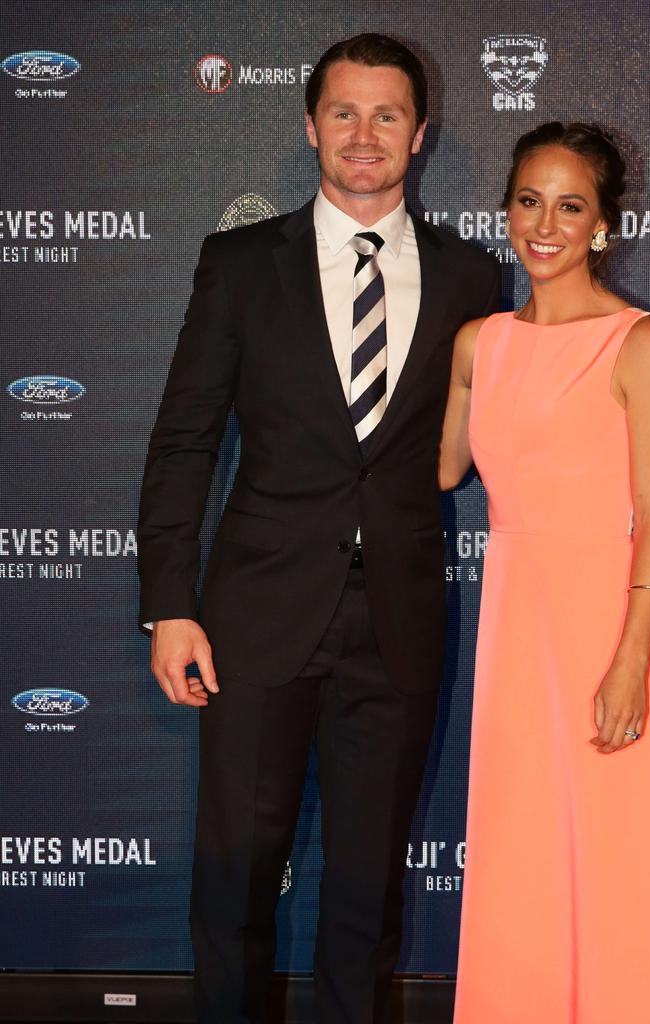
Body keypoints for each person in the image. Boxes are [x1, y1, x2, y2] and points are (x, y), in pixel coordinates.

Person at [137, 32, 499, 1024]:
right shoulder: (242, 263)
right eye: (344, 112)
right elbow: (182, 441)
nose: (364, 134)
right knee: (235, 876)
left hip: (398, 621)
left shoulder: (475, 280)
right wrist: (169, 605)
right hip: (255, 619)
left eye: (388, 113)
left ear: (420, 133)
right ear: (309, 127)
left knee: (367, 884)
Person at [440, 122, 650, 1022]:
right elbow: (439, 468)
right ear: (506, 211)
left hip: (605, 629)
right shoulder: (479, 343)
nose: (545, 224)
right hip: (515, 632)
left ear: (603, 224)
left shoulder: (642, 341)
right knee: (523, 845)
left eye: (570, 206)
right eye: (528, 201)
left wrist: (633, 657)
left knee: (615, 851)